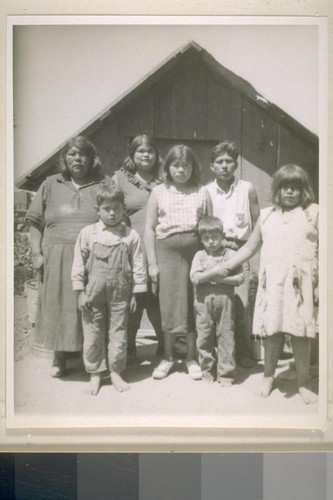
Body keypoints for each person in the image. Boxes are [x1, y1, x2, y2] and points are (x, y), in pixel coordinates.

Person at [207, 164, 319, 404]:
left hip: (301, 286)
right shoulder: (267, 216)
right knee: (272, 331)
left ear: (304, 190)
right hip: (274, 284)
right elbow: (249, 247)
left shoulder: (313, 213)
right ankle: (268, 376)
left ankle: (303, 381)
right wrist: (227, 265)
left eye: (295, 188)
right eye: (284, 187)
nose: (289, 192)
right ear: (276, 190)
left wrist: (320, 284)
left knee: (300, 334)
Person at [26, 136, 113, 378]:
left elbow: (116, 215)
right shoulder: (51, 183)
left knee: (90, 307)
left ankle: (92, 359)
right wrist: (36, 254)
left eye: (83, 154)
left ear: (92, 159)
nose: (77, 158)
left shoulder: (103, 183)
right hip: (56, 256)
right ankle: (60, 357)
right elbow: (34, 222)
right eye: (72, 154)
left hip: (93, 256)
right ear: (65, 158)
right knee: (59, 306)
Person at [145, 144, 212, 380]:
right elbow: (150, 229)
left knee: (194, 303)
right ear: (168, 167)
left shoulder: (202, 192)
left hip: (195, 254)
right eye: (176, 165)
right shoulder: (158, 192)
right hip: (166, 253)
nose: (181, 170)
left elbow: (209, 228)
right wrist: (152, 263)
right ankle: (168, 357)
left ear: (193, 168)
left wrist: (209, 262)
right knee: (169, 304)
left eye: (186, 165)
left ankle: (191, 357)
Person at [71, 187, 147, 395]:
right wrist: (80, 292)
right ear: (98, 210)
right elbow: (78, 264)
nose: (112, 213)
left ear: (124, 209)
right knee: (93, 332)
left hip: (121, 291)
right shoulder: (88, 233)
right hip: (93, 291)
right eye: (107, 209)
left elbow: (138, 265)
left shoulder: (130, 235)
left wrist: (135, 294)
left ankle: (115, 371)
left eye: (117, 208)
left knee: (119, 332)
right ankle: (95, 373)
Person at [205, 141, 260, 368]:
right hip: (216, 251)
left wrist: (252, 255)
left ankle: (243, 352)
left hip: (242, 250)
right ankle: (220, 352)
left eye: (229, 161)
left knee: (241, 304)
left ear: (235, 165)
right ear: (212, 166)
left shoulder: (247, 188)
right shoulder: (207, 191)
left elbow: (258, 223)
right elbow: (206, 223)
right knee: (219, 303)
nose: (224, 166)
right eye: (220, 162)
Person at [112, 135, 164, 361]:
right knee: (131, 298)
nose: (146, 155)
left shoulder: (165, 179)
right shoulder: (120, 179)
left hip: (158, 247)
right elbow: (110, 209)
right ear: (132, 154)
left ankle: (164, 346)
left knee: (156, 298)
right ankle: (129, 347)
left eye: (150, 151)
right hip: (130, 248)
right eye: (140, 151)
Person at [190, 216, 244, 386]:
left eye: (215, 237)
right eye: (206, 238)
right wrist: (216, 272)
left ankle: (226, 374)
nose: (211, 242)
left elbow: (240, 278)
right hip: (203, 302)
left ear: (223, 236)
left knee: (226, 336)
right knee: (204, 337)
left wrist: (219, 279)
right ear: (201, 239)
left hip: (225, 301)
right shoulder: (199, 255)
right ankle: (207, 371)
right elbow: (195, 278)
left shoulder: (231, 255)